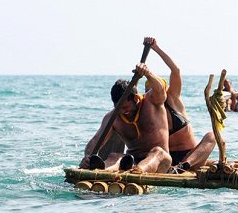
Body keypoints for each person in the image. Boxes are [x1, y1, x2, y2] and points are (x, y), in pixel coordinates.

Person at [80, 63, 171, 173]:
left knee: (158, 152)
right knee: (114, 156)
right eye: (118, 108)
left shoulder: (152, 101)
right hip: (132, 161)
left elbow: (160, 90)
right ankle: (102, 172)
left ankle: (138, 171)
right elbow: (96, 140)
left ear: (136, 98)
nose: (122, 112)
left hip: (160, 161)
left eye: (125, 107)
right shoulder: (112, 117)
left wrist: (147, 73)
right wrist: (87, 156)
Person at [147, 37, 216, 173]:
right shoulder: (147, 108)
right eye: (149, 91)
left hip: (192, 159)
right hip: (167, 160)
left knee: (212, 136)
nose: (153, 93)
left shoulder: (173, 97)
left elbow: (175, 70)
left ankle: (182, 167)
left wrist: (156, 48)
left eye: (155, 89)